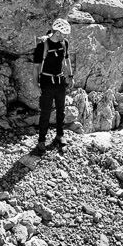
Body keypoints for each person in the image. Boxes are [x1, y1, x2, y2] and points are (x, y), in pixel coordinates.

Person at [32, 18, 73, 154]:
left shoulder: (64, 43)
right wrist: (35, 84)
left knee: (61, 110)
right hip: (46, 81)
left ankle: (59, 135)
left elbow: (66, 60)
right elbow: (36, 66)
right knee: (46, 112)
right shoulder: (42, 46)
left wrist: (70, 76)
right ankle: (41, 141)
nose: (65, 36)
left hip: (60, 80)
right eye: (63, 33)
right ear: (57, 33)